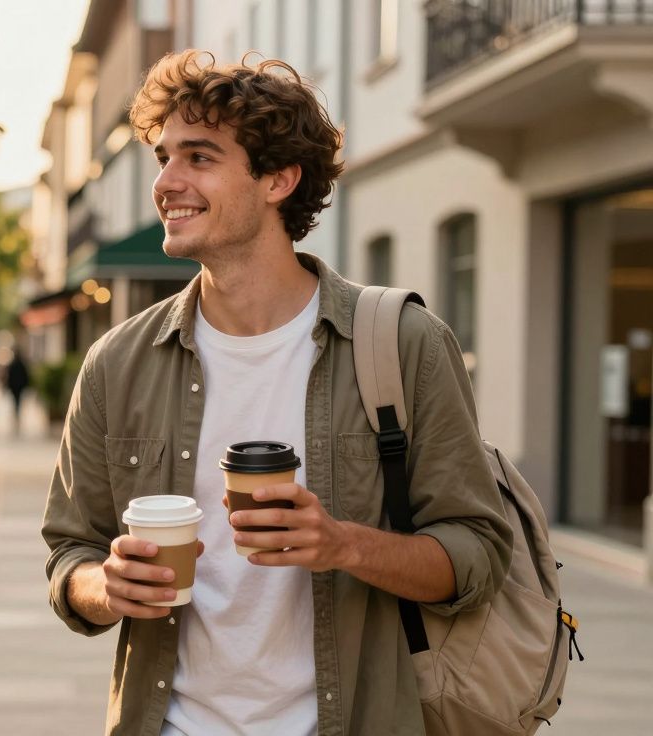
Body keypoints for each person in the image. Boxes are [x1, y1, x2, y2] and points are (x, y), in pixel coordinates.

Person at [41, 51, 512, 736]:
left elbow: (477, 556)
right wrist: (104, 587)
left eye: (198, 158)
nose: (167, 182)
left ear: (279, 180)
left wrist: (343, 545)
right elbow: (69, 554)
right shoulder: (118, 362)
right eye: (164, 157)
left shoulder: (402, 343)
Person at [4, 350, 30, 435]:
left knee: (15, 402)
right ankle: (17, 414)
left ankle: (16, 414)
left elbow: (9, 376)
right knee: (18, 402)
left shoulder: (13, 364)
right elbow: (26, 376)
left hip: (14, 387)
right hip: (19, 387)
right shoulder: (22, 364)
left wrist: (8, 386)